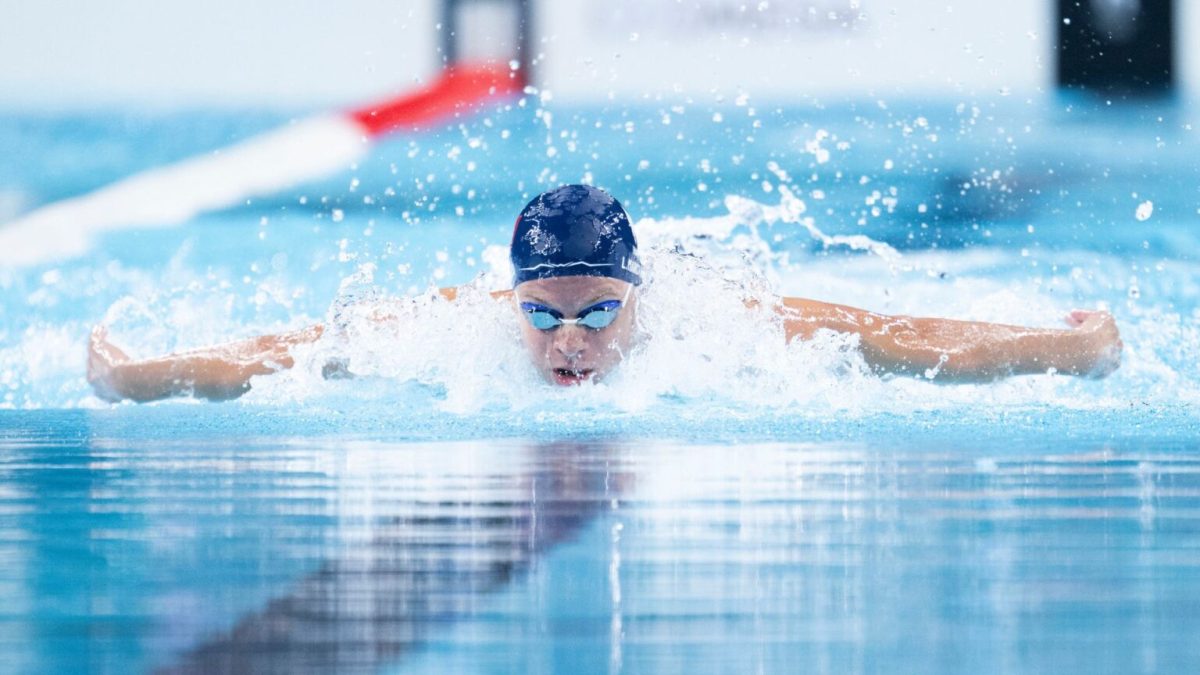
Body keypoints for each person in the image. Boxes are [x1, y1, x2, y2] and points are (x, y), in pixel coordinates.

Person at [86, 184, 1123, 403]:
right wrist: (146, 379)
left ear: (637, 296)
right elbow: (294, 350)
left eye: (596, 313)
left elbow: (904, 339)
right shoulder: (461, 334)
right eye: (543, 312)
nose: (567, 340)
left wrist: (1069, 347)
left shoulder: (726, 324)